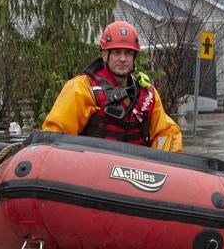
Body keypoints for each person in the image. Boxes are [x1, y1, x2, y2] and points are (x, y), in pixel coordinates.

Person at [42, 20, 183, 152]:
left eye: (128, 53)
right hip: (92, 171)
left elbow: (167, 132)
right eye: (116, 52)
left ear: (134, 57)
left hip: (135, 172)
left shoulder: (147, 95)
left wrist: (163, 167)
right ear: (105, 55)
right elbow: (55, 135)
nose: (123, 59)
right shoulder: (82, 88)